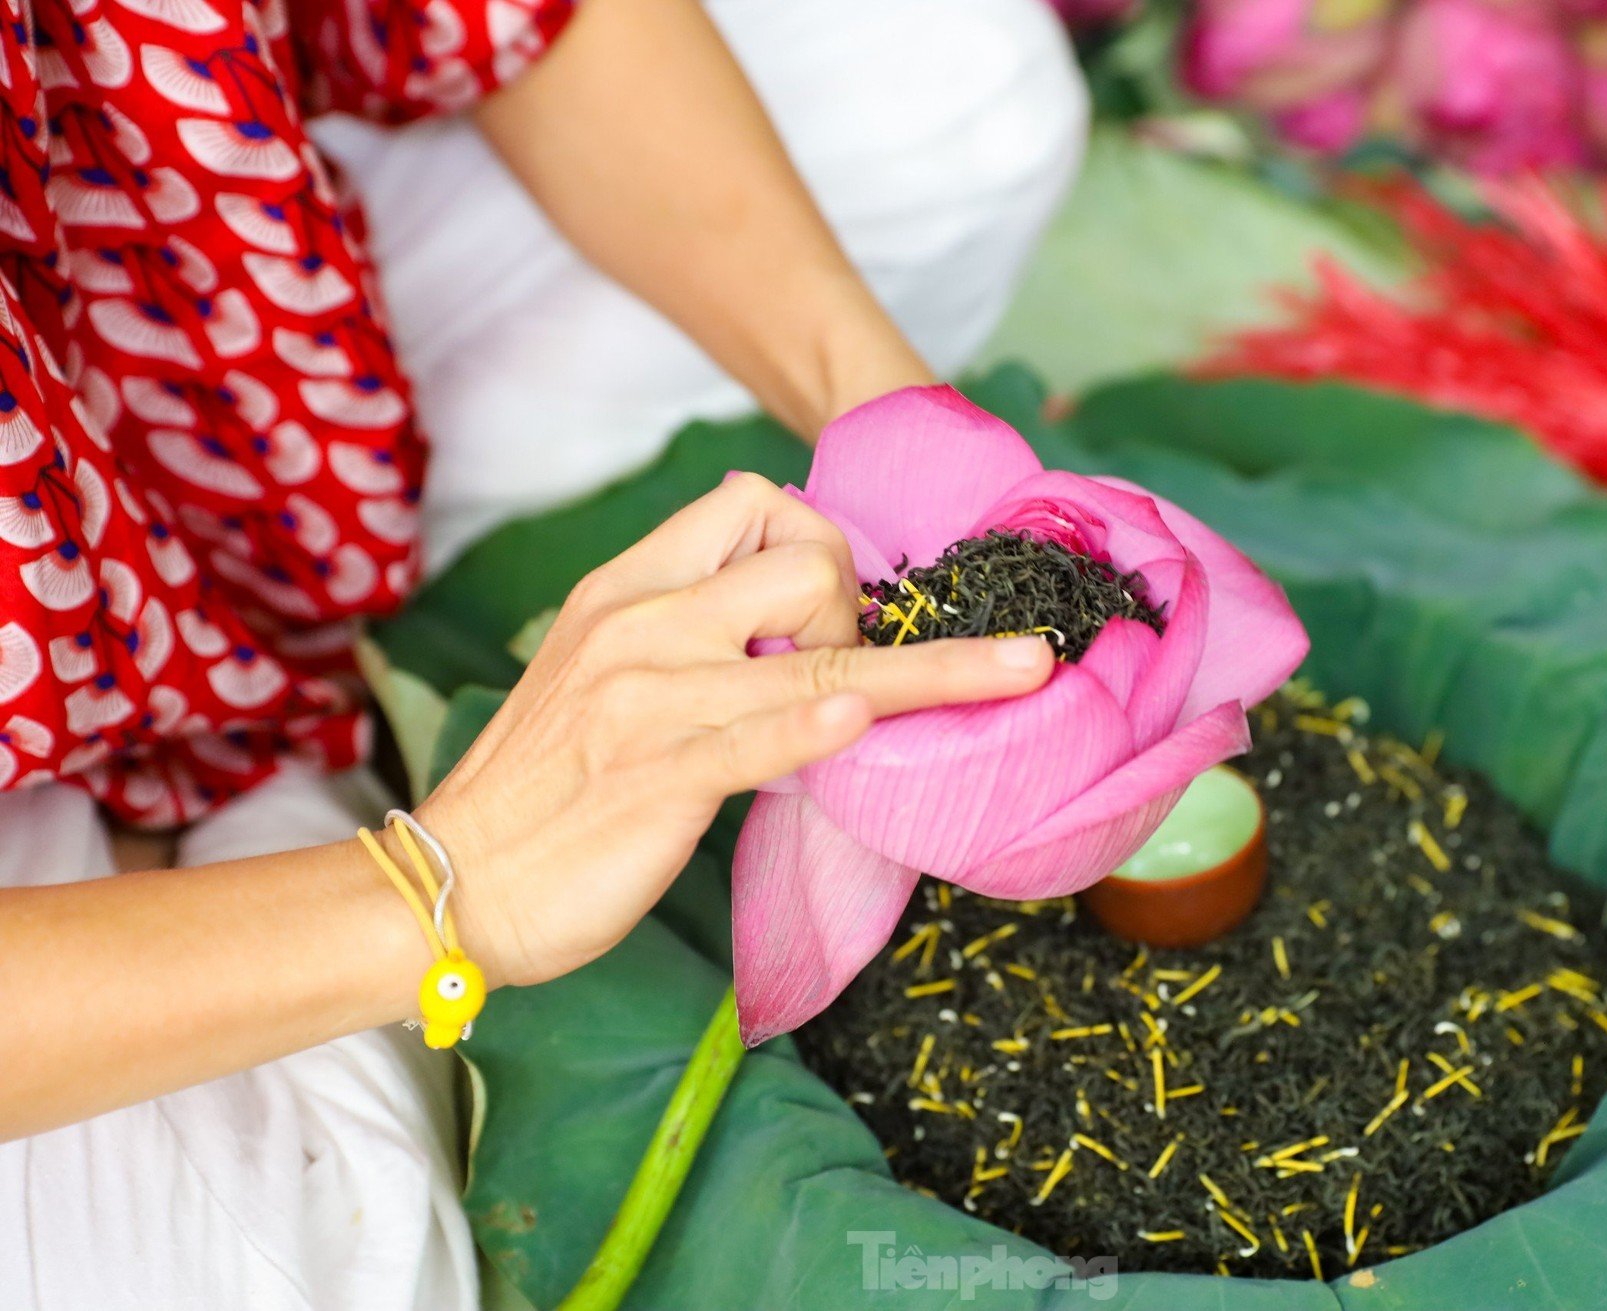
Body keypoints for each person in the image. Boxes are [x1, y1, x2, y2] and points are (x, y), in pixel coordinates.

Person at [0, 0, 1088, 1305]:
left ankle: (310, 617)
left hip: (180, 324)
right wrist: (450, 888)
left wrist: (895, 430)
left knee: (954, 92)